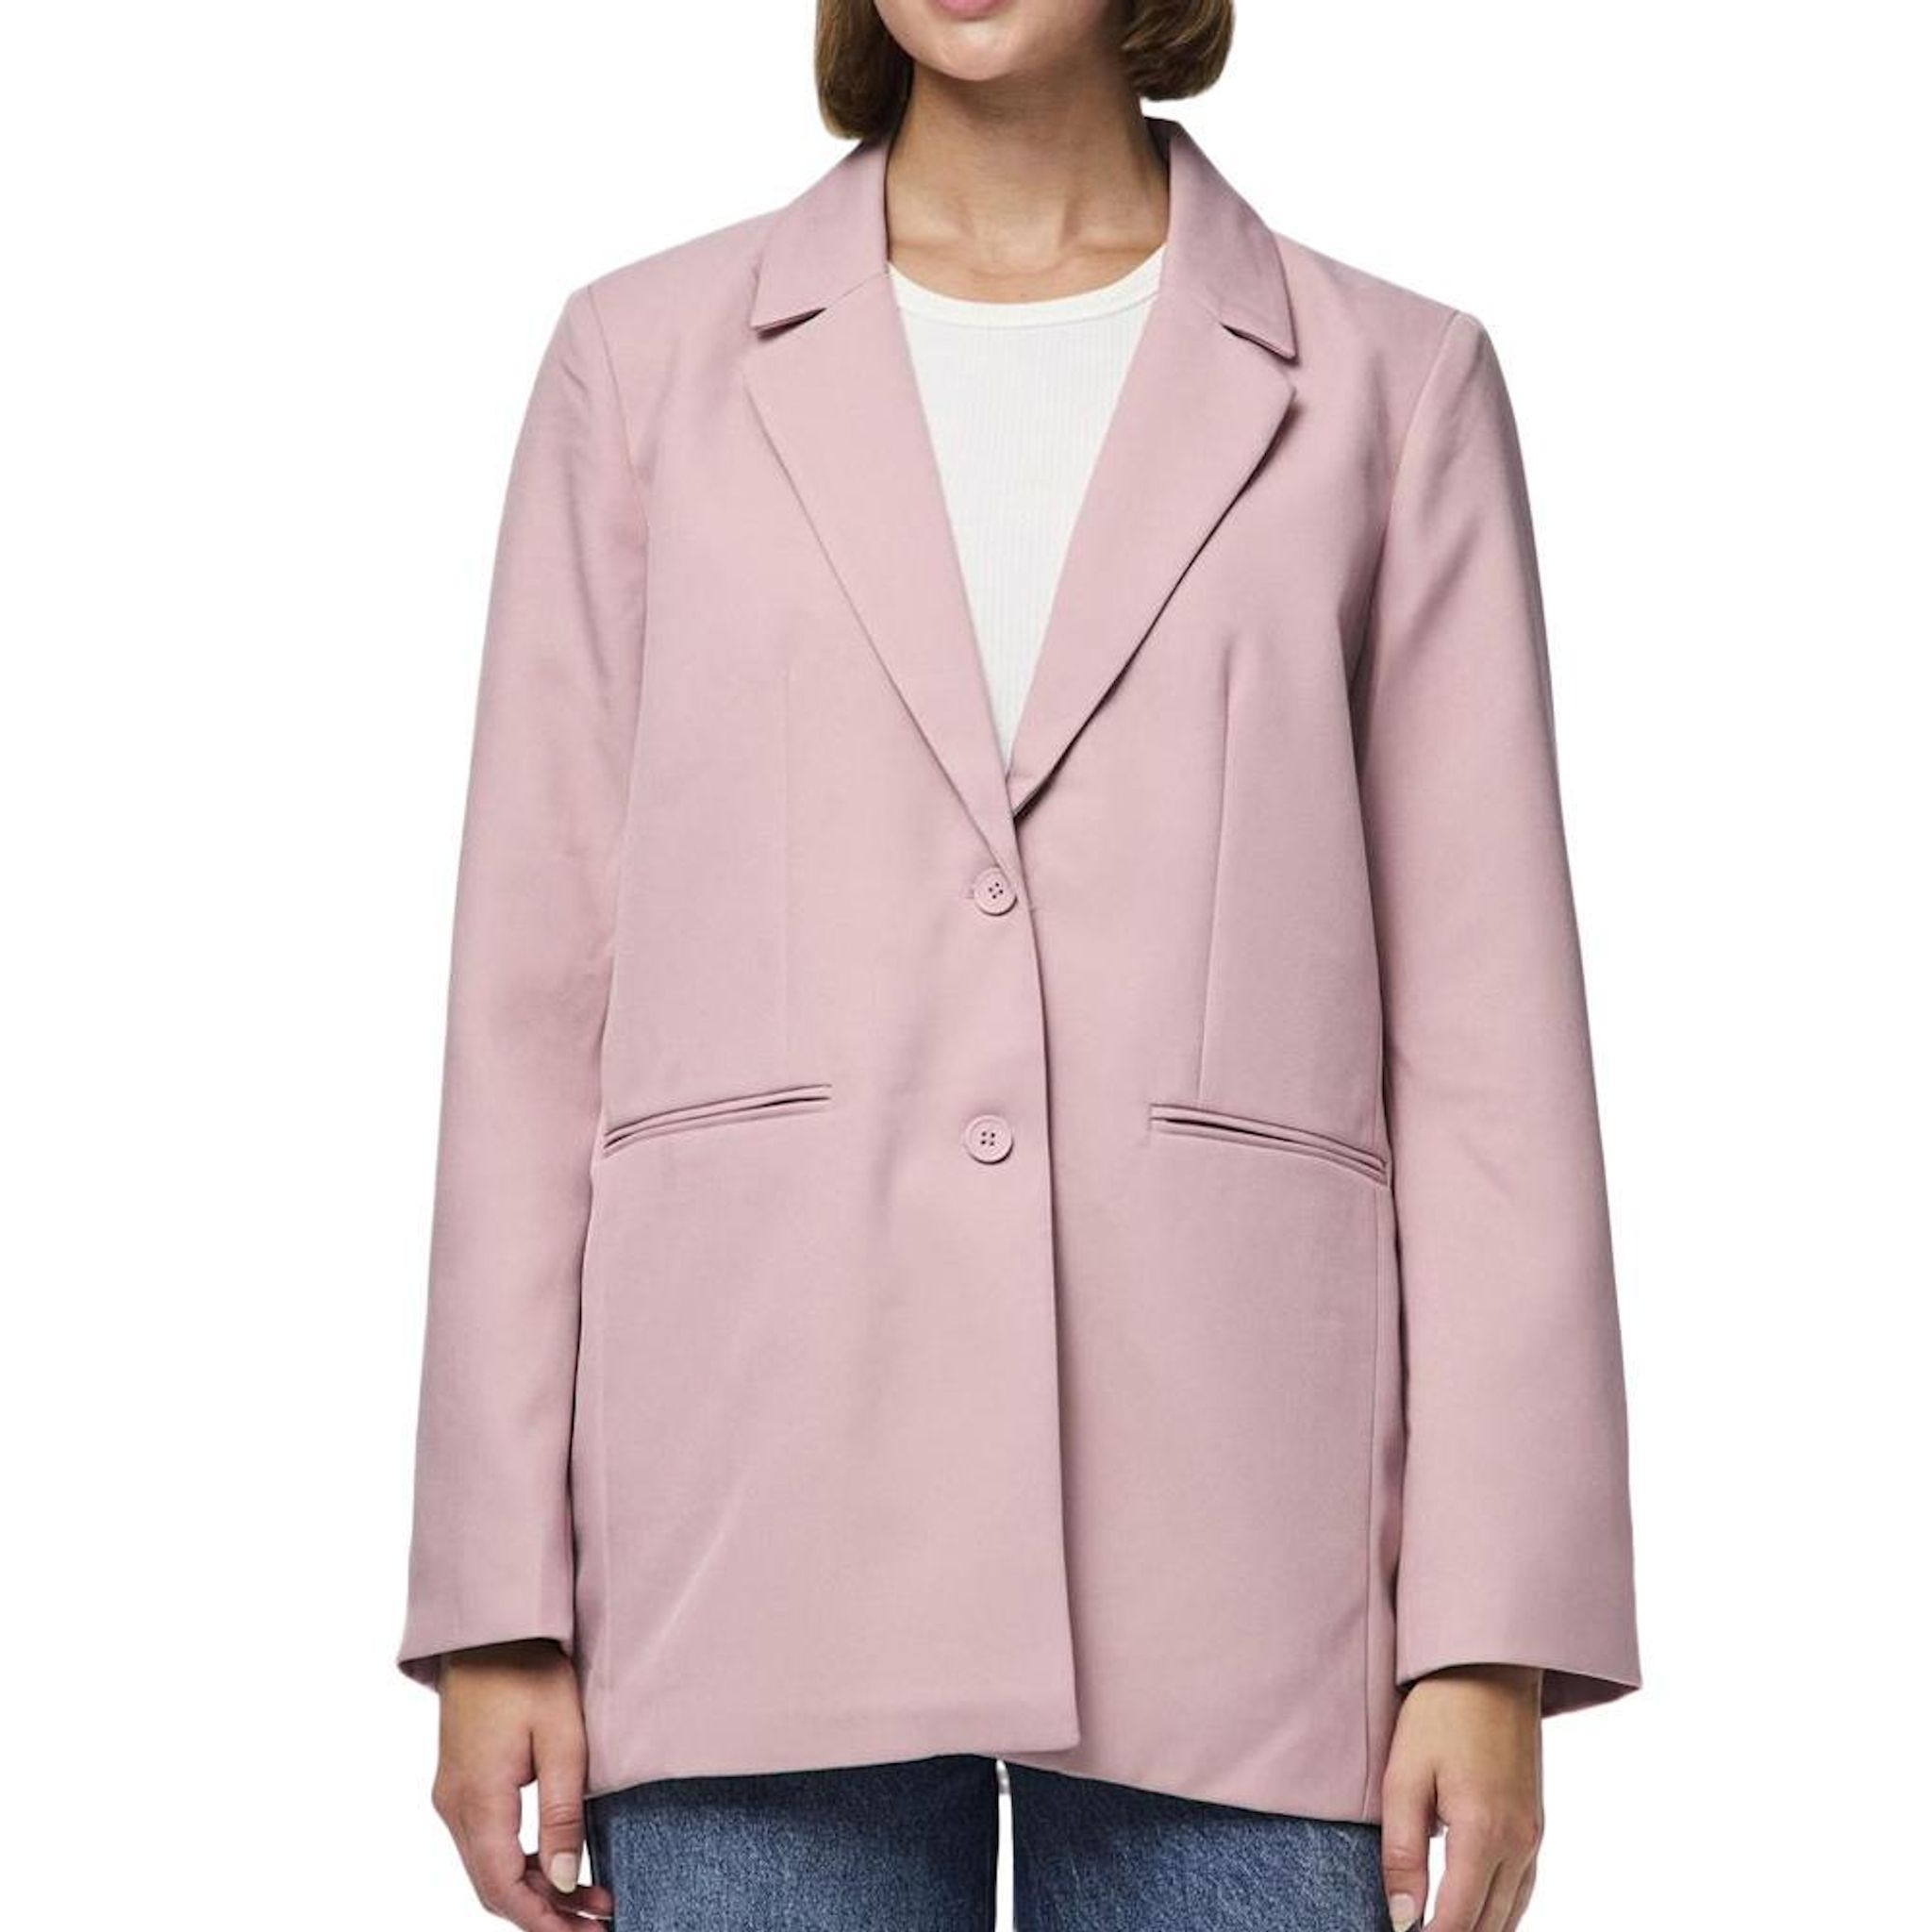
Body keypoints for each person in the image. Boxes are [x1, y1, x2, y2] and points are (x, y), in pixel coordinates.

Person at [396, 3, 1642, 1927]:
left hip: (1244, 1551)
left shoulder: (1394, 388)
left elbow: (1490, 1047)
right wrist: (496, 1598)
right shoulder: (640, 368)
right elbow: (528, 1005)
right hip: (749, 1523)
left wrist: (1487, 1635)